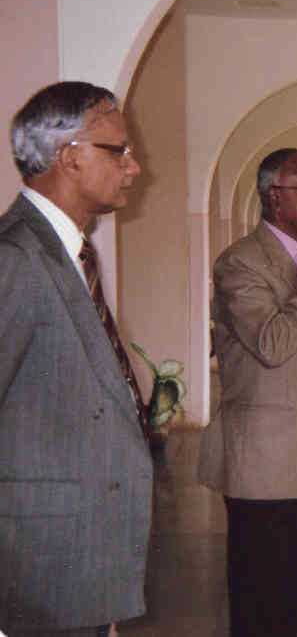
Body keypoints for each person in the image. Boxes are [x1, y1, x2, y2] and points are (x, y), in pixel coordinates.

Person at [0, 82, 152, 636]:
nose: (133, 168)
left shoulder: (67, 252)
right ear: (70, 157)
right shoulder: (15, 258)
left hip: (78, 559)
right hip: (36, 566)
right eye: (120, 151)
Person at [197, 148, 297, 636]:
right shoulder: (240, 263)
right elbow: (272, 343)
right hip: (262, 459)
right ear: (273, 197)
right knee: (259, 593)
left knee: (293, 593)